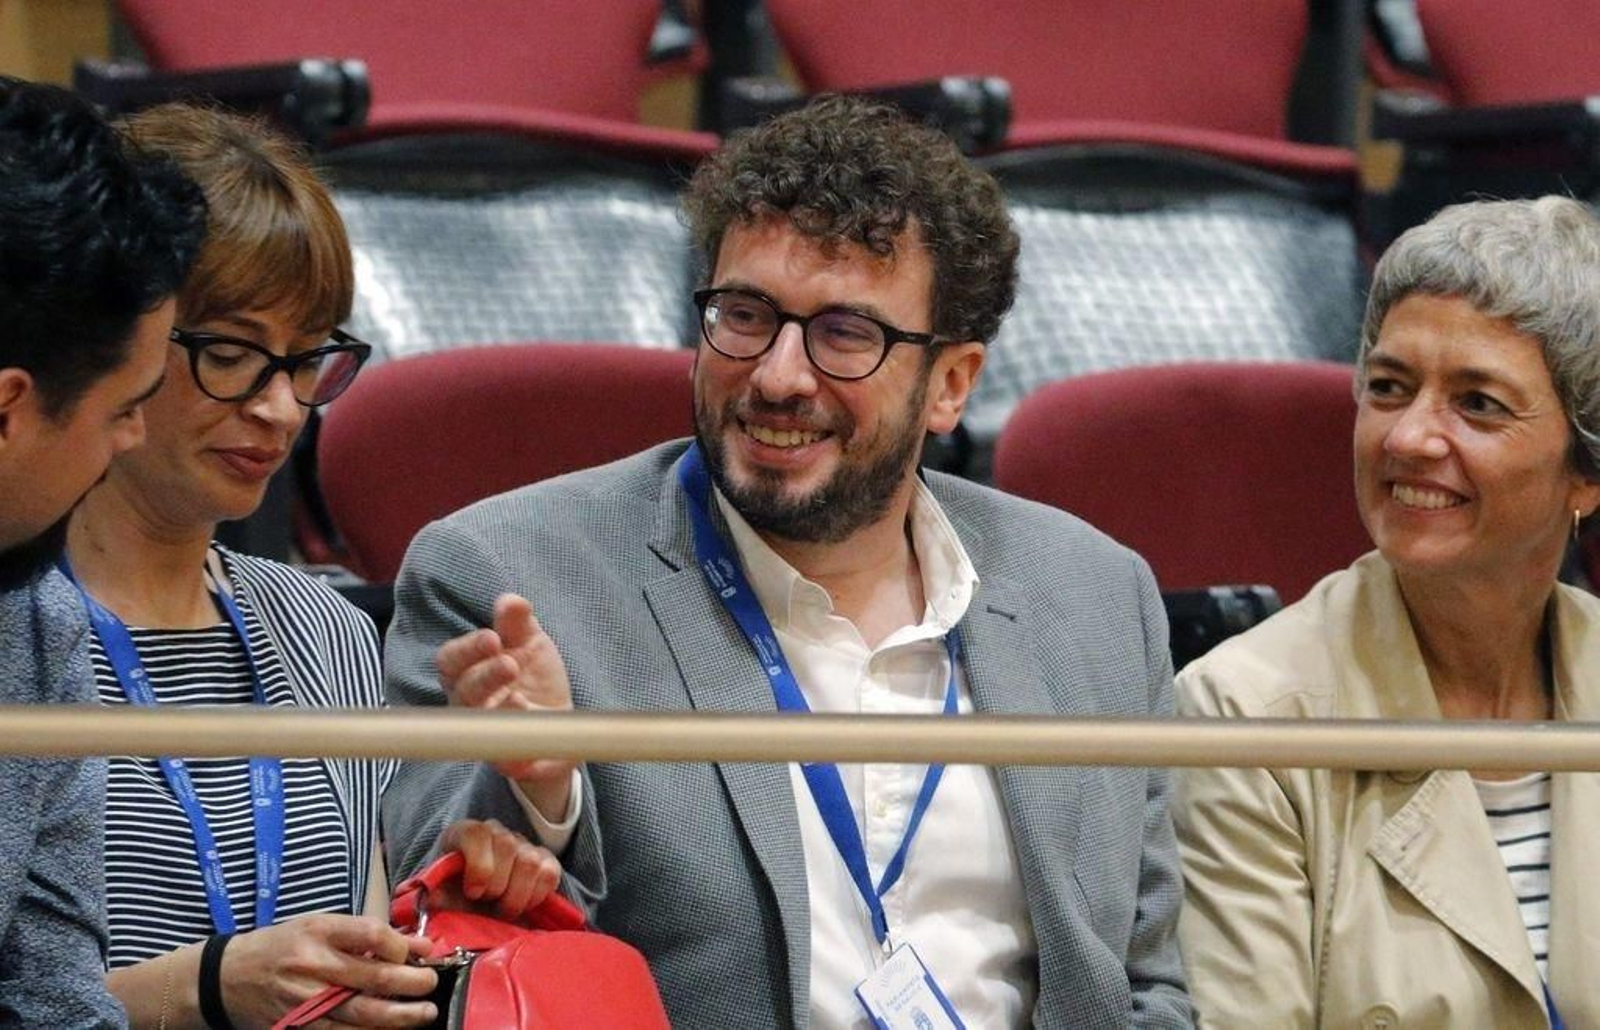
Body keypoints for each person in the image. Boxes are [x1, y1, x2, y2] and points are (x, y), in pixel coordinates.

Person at [382, 95, 1193, 1028]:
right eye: (745, 315)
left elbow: (1143, 984)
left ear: (952, 384)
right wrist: (544, 788)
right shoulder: (508, 577)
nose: (777, 376)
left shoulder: (1093, 595)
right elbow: (447, 943)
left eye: (846, 334)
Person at [62, 103, 560, 1029]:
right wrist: (209, 989)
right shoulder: (20, 633)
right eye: (234, 353)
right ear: (113, 335)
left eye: (305, 361)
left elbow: (359, 928)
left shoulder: (320, 625)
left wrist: (454, 888)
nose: (282, 410)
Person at [1174, 197, 1600, 1028]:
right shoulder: (1245, 717)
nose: (1409, 438)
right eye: (1389, 388)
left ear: (1585, 473)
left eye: (1477, 403)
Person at [0, 77, 205, 1027]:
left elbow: (55, 1003)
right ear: (7, 409)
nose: (130, 442)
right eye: (126, 409)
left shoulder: (40, 628)